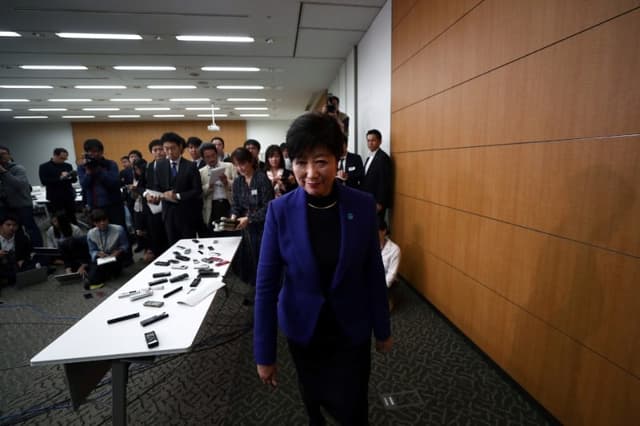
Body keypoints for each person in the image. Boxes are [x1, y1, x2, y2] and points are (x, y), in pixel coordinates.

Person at [254, 113, 392, 425]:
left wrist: (382, 329)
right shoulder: (280, 211)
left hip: (350, 328)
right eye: (301, 162)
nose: (311, 173)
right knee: (312, 396)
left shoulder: (361, 205)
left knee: (354, 404)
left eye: (321, 161)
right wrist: (264, 353)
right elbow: (266, 286)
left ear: (338, 157)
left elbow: (373, 271)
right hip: (304, 329)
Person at [230, 147, 274, 294]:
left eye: (242, 164)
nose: (239, 168)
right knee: (248, 259)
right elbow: (235, 205)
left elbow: (269, 206)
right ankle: (254, 289)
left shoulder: (261, 178)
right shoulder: (238, 182)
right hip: (245, 228)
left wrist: (249, 218)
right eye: (236, 165)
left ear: (250, 161)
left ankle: (266, 290)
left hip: (262, 227)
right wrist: (232, 217)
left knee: (262, 259)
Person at [146, 132, 202, 245]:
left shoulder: (190, 166)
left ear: (180, 147)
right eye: (166, 149)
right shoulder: (160, 166)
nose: (170, 152)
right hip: (168, 213)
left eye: (173, 148)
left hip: (187, 213)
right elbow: (157, 188)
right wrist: (154, 197)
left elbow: (197, 190)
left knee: (189, 245)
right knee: (173, 246)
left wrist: (177, 196)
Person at [0, 146, 43, 247]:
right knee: (12, 231)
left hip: (22, 205)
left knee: (30, 229)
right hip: (5, 205)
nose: (1, 156)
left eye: (3, 154)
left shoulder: (18, 168)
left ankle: (40, 251)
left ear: (9, 155)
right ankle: (18, 253)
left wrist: (4, 172)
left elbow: (19, 186)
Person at [77, 139, 125, 227]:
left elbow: (114, 183)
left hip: (113, 205)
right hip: (95, 206)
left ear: (101, 152)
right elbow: (84, 185)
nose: (93, 154)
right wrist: (88, 173)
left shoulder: (110, 164)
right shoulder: (82, 167)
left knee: (118, 229)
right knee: (98, 232)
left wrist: (98, 170)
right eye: (90, 152)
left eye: (96, 151)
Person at [85, 209, 129, 290]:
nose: (102, 223)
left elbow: (125, 245)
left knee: (96, 270)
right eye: (98, 221)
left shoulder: (119, 229)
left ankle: (94, 280)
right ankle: (97, 278)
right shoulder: (91, 233)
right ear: (94, 223)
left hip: (115, 256)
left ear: (107, 219)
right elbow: (92, 250)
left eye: (104, 220)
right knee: (96, 264)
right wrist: (98, 253)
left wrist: (118, 251)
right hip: (102, 257)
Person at [199, 143, 236, 233]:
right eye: (207, 157)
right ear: (203, 158)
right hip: (211, 207)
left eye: (213, 155)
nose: (211, 159)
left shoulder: (229, 166)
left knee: (230, 233)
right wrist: (209, 186)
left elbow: (238, 187)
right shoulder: (201, 172)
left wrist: (227, 182)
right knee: (214, 234)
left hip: (228, 204)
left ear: (217, 154)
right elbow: (199, 193)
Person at [142, 139, 168, 260]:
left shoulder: (171, 164)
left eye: (161, 149)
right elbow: (141, 186)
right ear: (151, 152)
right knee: (156, 234)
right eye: (155, 150)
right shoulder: (149, 166)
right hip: (153, 206)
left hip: (169, 204)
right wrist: (146, 193)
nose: (158, 152)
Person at [38, 148, 78, 224]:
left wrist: (72, 176)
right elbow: (44, 182)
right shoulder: (44, 167)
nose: (64, 160)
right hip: (55, 197)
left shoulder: (68, 165)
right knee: (60, 219)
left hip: (68, 195)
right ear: (55, 156)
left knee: (72, 217)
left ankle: (75, 234)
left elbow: (74, 180)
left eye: (65, 158)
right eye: (62, 158)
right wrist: (60, 178)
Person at [361, 129, 392, 222]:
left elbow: (384, 182)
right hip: (368, 198)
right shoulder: (369, 157)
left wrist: (380, 202)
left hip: (377, 201)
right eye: (368, 140)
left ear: (380, 141)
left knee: (378, 226)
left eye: (373, 140)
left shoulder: (383, 158)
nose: (370, 143)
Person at [45, 211, 89, 276]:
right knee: (44, 256)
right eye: (53, 222)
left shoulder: (75, 229)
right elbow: (50, 246)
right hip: (58, 253)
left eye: (56, 221)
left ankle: (66, 263)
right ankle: (65, 263)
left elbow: (82, 245)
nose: (54, 224)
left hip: (73, 252)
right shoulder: (51, 230)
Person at [0, 214, 36, 286]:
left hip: (17, 266)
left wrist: (23, 260)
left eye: (14, 225)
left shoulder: (22, 238)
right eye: (8, 225)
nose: (11, 227)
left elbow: (30, 252)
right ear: (1, 226)